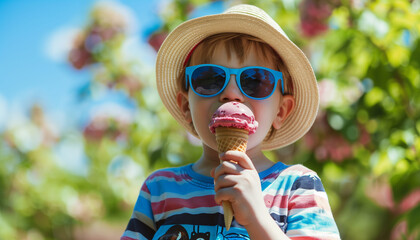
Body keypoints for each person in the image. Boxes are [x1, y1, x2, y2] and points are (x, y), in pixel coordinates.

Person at [122, 4, 340, 240]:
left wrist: (257, 217)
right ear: (186, 106)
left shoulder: (298, 186)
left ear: (281, 111)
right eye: (210, 78)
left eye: (255, 81)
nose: (231, 93)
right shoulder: (159, 190)